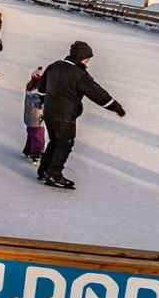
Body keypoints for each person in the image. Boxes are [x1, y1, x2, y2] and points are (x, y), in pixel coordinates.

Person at [37, 41, 126, 189]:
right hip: (65, 117)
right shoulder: (79, 74)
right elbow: (98, 94)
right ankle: (54, 175)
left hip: (49, 112)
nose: (87, 61)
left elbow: (41, 88)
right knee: (64, 144)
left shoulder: (54, 66)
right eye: (87, 58)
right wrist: (116, 107)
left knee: (54, 142)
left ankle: (44, 170)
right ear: (81, 57)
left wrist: (45, 101)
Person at [23, 67, 46, 164]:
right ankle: (36, 153)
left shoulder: (30, 87)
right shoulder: (39, 92)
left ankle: (28, 150)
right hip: (37, 118)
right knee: (38, 136)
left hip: (29, 117)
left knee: (31, 133)